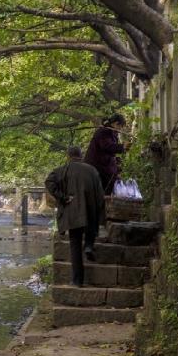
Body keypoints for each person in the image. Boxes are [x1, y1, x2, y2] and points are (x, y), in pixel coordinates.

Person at [45, 146, 106, 287]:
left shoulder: (62, 170)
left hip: (72, 213)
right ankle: (89, 245)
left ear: (68, 156)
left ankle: (77, 281)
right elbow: (100, 194)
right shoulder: (92, 170)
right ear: (81, 155)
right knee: (91, 229)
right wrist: (100, 212)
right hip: (90, 210)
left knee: (75, 245)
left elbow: (49, 182)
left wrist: (62, 197)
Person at [84, 113, 128, 194]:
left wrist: (116, 160)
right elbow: (107, 146)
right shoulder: (104, 131)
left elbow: (110, 152)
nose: (121, 129)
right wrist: (122, 147)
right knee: (103, 190)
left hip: (103, 167)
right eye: (120, 126)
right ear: (116, 124)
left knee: (111, 185)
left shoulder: (111, 133)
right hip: (96, 168)